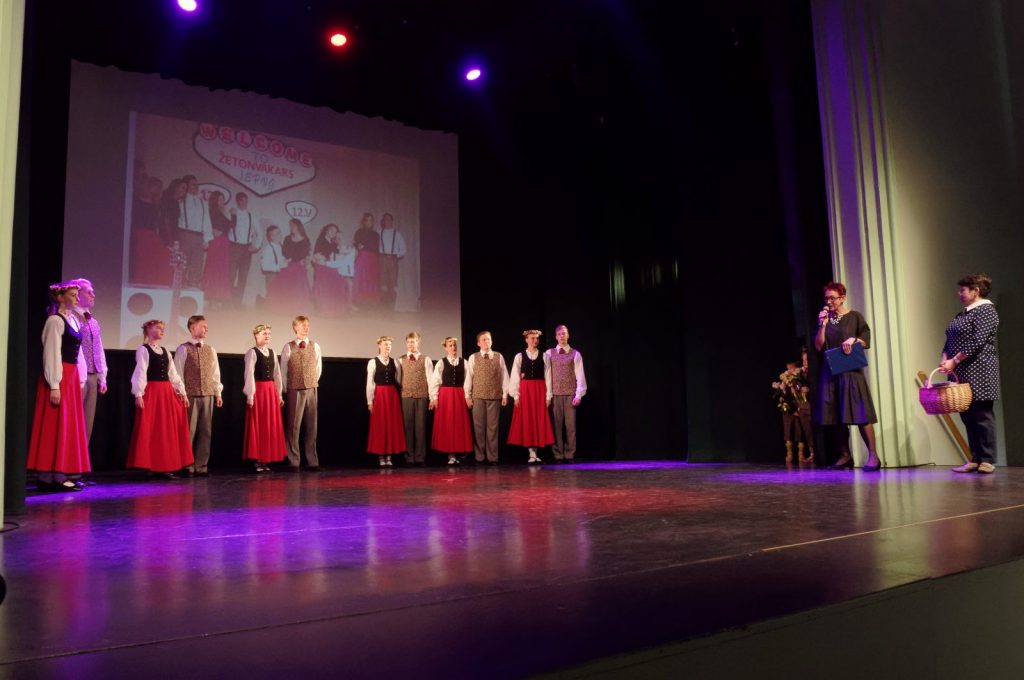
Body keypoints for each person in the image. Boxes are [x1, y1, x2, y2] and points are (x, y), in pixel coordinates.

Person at [27, 282, 90, 492]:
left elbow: (78, 354)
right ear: (60, 297)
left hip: (71, 376)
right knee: (55, 424)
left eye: (77, 295)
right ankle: (49, 476)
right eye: (72, 295)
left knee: (67, 425)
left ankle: (58, 473)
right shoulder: (55, 320)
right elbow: (51, 352)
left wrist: (80, 378)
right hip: (60, 375)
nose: (77, 299)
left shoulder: (73, 320)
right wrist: (54, 384)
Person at [814, 282, 881, 471]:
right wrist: (822, 326)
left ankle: (873, 456)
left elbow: (866, 340)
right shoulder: (826, 320)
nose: (829, 302)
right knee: (835, 415)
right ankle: (845, 456)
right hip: (831, 372)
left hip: (851, 373)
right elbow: (818, 346)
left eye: (832, 298)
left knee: (861, 414)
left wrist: (854, 339)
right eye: (826, 298)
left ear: (842, 298)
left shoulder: (855, 317)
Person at [939, 274, 1001, 474]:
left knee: (982, 415)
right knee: (967, 415)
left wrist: (954, 360)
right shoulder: (963, 314)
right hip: (961, 370)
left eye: (963, 290)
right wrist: (945, 357)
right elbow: (950, 338)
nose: (959, 293)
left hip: (980, 369)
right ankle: (975, 458)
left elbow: (977, 340)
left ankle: (987, 459)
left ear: (976, 291)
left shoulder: (986, 311)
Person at [126, 320, 194, 478]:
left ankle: (165, 465)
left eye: (163, 328)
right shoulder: (143, 350)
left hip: (166, 393)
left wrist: (182, 393)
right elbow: (140, 372)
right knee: (151, 428)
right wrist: (138, 394)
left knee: (165, 429)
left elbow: (173, 374)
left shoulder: (165, 351)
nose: (162, 330)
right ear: (149, 330)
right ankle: (150, 466)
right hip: (152, 392)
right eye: (158, 328)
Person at [173, 315, 223, 477]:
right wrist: (181, 393)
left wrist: (218, 393)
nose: (206, 329)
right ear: (193, 328)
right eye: (203, 326)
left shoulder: (211, 349)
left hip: (207, 393)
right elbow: (177, 372)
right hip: (190, 394)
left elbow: (215, 374)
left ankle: (201, 465)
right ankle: (187, 465)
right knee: (189, 430)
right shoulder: (183, 349)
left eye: (206, 326)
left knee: (205, 431)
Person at [67, 278, 107, 446]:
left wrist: (102, 376)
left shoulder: (93, 321)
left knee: (87, 422)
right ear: (78, 294)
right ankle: (69, 457)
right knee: (73, 420)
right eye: (89, 292)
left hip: (93, 375)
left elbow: (99, 348)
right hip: (77, 376)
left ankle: (82, 458)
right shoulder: (70, 317)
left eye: (93, 292)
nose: (93, 295)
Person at [243, 324, 287, 473]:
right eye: (264, 333)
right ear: (256, 335)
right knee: (260, 424)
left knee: (269, 425)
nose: (267, 336)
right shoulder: (252, 353)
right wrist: (250, 395)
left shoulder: (272, 352)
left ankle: (266, 460)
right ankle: (258, 460)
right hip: (259, 391)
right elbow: (249, 374)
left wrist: (279, 394)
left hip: (270, 391)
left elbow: (277, 375)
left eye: (268, 333)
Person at [280, 315, 321, 471]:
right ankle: (293, 461)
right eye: (303, 325)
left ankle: (312, 461)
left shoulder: (315, 346)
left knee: (311, 426)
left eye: (307, 325)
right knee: (293, 426)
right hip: (294, 389)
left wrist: (311, 381)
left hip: (311, 388)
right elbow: (283, 370)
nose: (306, 328)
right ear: (295, 328)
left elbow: (318, 367)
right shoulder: (288, 347)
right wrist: (286, 388)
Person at [508, 329, 554, 464]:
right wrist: (516, 396)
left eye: (537, 338)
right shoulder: (519, 356)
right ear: (526, 340)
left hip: (539, 389)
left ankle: (535, 453)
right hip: (525, 390)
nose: (535, 340)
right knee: (528, 419)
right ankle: (531, 453)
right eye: (532, 338)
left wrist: (548, 396)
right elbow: (515, 376)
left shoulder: (544, 356)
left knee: (538, 419)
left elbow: (548, 376)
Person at [465, 331, 509, 464]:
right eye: (483, 340)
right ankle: (479, 456)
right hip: (478, 396)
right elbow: (469, 377)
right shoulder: (473, 357)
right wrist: (467, 395)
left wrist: (505, 394)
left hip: (494, 396)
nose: (486, 342)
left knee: (492, 428)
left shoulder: (498, 356)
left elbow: (504, 376)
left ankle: (492, 457)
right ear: (478, 343)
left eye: (488, 339)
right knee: (478, 427)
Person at [546, 325, 587, 463]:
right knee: (556, 426)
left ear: (568, 335)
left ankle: (570, 454)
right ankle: (558, 454)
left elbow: (580, 375)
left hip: (570, 394)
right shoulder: (549, 353)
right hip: (555, 394)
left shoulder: (575, 354)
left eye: (564, 333)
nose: (562, 336)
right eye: (559, 334)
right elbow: (546, 374)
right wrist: (548, 395)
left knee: (570, 426)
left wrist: (578, 395)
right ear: (556, 337)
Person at [430, 337, 473, 466]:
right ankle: (451, 455)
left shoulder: (464, 362)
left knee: (459, 423)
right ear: (446, 348)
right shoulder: (441, 362)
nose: (453, 347)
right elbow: (435, 380)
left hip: (459, 394)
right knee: (448, 423)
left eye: (454, 345)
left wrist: (467, 396)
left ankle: (458, 452)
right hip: (445, 395)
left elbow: (468, 380)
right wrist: (434, 397)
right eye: (450, 345)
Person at [367, 336, 407, 467]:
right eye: (385, 344)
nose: (388, 346)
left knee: (391, 424)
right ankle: (381, 456)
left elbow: (398, 379)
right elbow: (370, 383)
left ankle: (389, 456)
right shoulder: (373, 362)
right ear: (379, 345)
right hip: (379, 395)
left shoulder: (395, 362)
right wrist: (370, 401)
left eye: (389, 344)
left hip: (391, 395)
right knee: (380, 424)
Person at [398, 332, 432, 465]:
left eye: (413, 341)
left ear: (418, 342)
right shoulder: (400, 360)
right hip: (406, 396)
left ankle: (420, 456)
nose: (411, 344)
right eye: (409, 342)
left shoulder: (426, 359)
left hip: (421, 396)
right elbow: (398, 379)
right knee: (407, 426)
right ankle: (408, 456)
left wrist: (432, 397)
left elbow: (430, 379)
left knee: (420, 427)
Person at [267, 219, 312, 312]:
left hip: (300, 267)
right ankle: (286, 308)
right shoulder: (287, 238)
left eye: (293, 225)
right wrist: (289, 260)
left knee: (298, 288)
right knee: (286, 287)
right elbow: (285, 253)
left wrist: (306, 262)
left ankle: (297, 309)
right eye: (290, 226)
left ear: (298, 226)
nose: (291, 228)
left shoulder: (305, 240)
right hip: (288, 266)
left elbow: (307, 254)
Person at [773, 360, 813, 464]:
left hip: (799, 408)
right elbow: (782, 395)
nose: (789, 370)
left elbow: (802, 392)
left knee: (800, 431)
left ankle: (801, 454)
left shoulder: (799, 378)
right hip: (788, 409)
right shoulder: (785, 379)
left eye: (792, 368)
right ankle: (789, 453)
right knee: (788, 430)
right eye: (788, 368)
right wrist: (782, 389)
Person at [176, 175, 213, 288]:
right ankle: (178, 287)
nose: (195, 186)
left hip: (199, 237)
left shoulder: (202, 202)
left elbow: (206, 220)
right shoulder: (181, 200)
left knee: (197, 265)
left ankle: (193, 287)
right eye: (193, 184)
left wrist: (207, 239)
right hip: (185, 235)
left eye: (196, 184)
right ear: (186, 186)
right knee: (182, 265)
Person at [200, 191, 234, 304]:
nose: (222, 201)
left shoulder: (225, 212)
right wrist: (212, 232)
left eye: (222, 199)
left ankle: (217, 298)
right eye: (219, 199)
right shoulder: (211, 211)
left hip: (224, 242)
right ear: (214, 200)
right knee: (213, 268)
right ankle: (210, 298)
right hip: (216, 242)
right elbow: (210, 227)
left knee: (222, 270)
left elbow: (231, 226)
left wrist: (232, 215)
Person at [312, 224, 352, 317]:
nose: (333, 233)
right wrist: (323, 259)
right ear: (326, 230)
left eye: (334, 231)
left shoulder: (332, 242)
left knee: (341, 282)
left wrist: (350, 249)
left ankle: (335, 308)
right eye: (331, 230)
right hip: (321, 267)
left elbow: (339, 251)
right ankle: (325, 309)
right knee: (330, 285)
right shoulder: (321, 240)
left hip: (327, 265)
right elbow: (316, 255)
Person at [227, 192, 260, 302]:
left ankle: (238, 302)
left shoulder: (251, 216)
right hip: (234, 247)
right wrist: (232, 216)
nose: (244, 203)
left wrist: (256, 246)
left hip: (246, 249)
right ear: (238, 201)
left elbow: (260, 233)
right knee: (231, 275)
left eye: (246, 200)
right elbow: (227, 228)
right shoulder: (231, 213)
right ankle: (228, 301)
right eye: (242, 200)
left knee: (243, 276)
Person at [378, 213, 407, 309]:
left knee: (393, 283)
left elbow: (403, 249)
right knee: (382, 283)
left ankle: (391, 308)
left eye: (389, 219)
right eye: (385, 219)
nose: (387, 221)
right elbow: (375, 246)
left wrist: (395, 256)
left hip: (393, 260)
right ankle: (383, 308)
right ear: (383, 221)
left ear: (392, 221)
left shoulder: (396, 233)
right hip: (382, 259)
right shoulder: (379, 232)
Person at [352, 212, 381, 307]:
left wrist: (363, 246)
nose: (369, 222)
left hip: (373, 259)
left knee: (371, 280)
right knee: (361, 279)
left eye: (371, 220)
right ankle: (360, 302)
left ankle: (370, 302)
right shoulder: (359, 232)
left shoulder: (376, 234)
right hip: (362, 257)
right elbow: (356, 243)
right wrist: (358, 245)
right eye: (367, 220)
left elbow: (375, 247)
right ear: (364, 221)